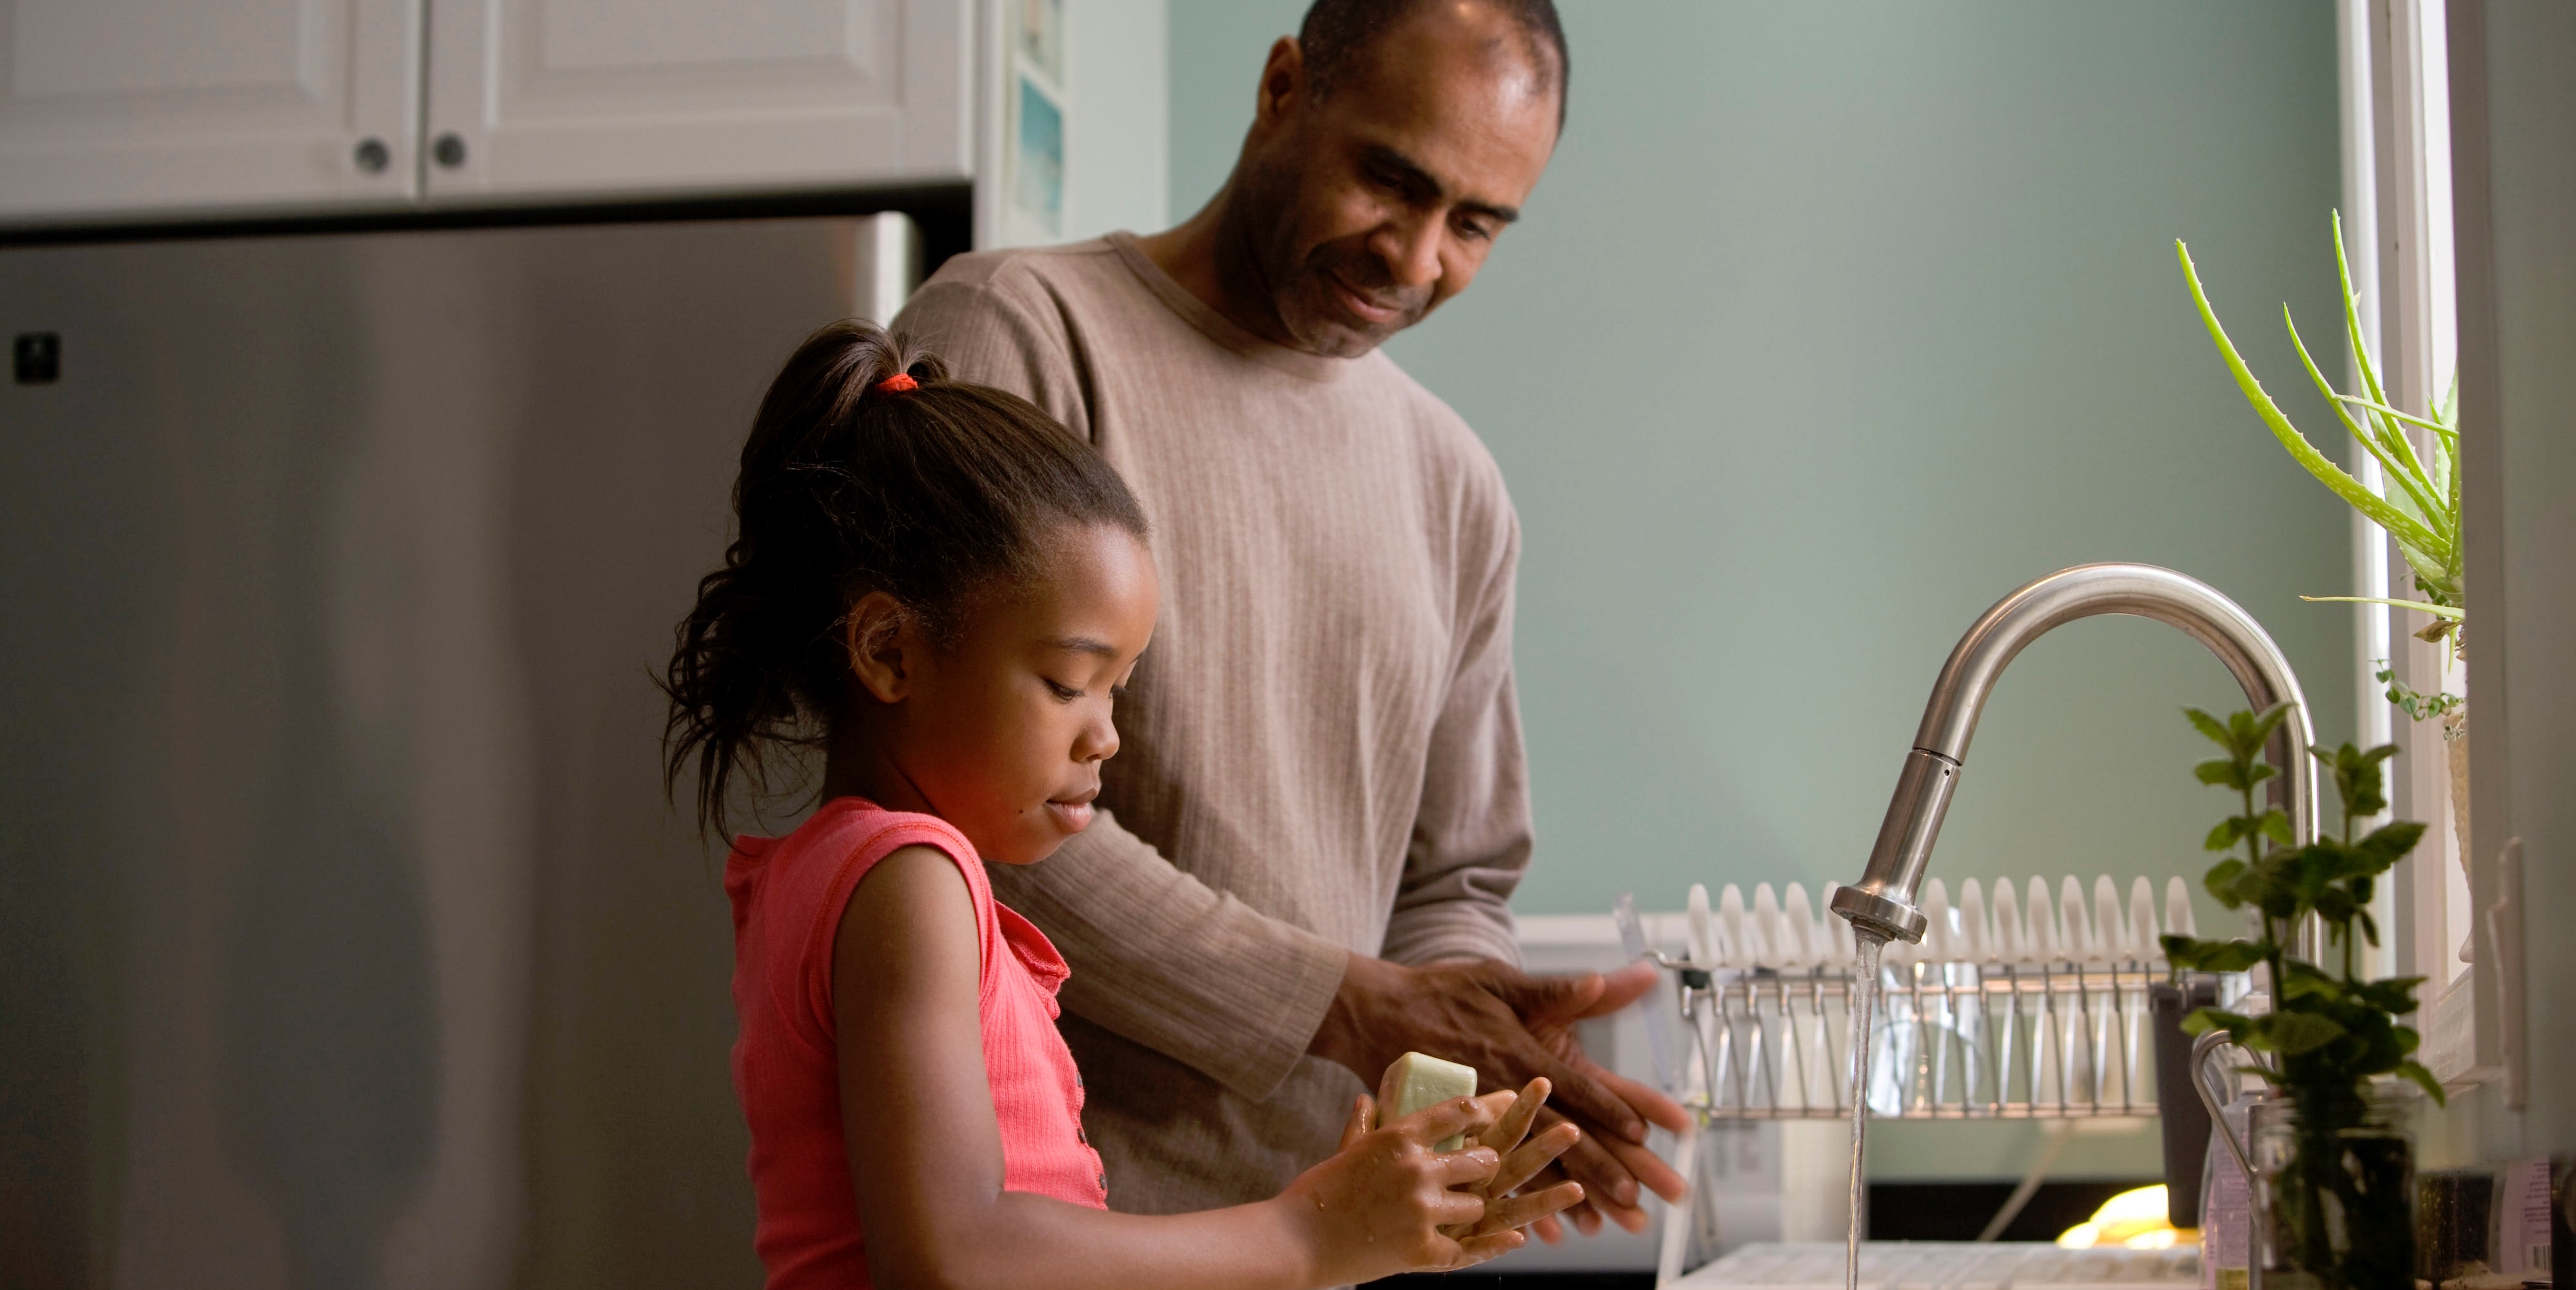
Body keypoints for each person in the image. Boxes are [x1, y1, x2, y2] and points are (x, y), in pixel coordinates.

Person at [890, 0, 1685, 1242]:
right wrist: (1348, 1005)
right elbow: (942, 793)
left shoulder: (1454, 484)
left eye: (1475, 223)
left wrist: (1469, 1023)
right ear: (1281, 90)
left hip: (1329, 1247)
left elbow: (1457, 871)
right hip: (1047, 1235)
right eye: (1391, 179)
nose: (1418, 260)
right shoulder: (1015, 335)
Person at [660, 322, 1584, 1287]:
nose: (1105, 736)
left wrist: (1351, 1207)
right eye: (1067, 683)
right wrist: (1309, 1234)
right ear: (889, 650)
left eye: (1118, 691)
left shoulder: (840, 871)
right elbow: (957, 1253)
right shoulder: (907, 878)